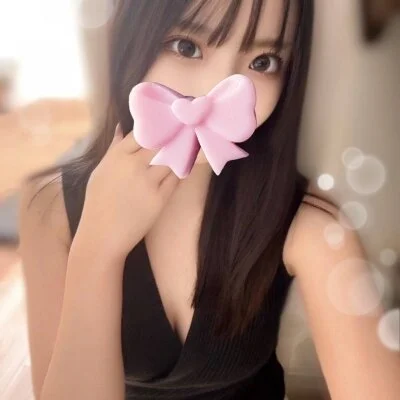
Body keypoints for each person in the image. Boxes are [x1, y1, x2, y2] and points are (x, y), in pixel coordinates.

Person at [17, 1, 400, 399]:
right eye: (186, 47)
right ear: (130, 38)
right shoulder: (49, 207)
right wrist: (97, 252)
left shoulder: (311, 226)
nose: (217, 90)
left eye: (263, 62)